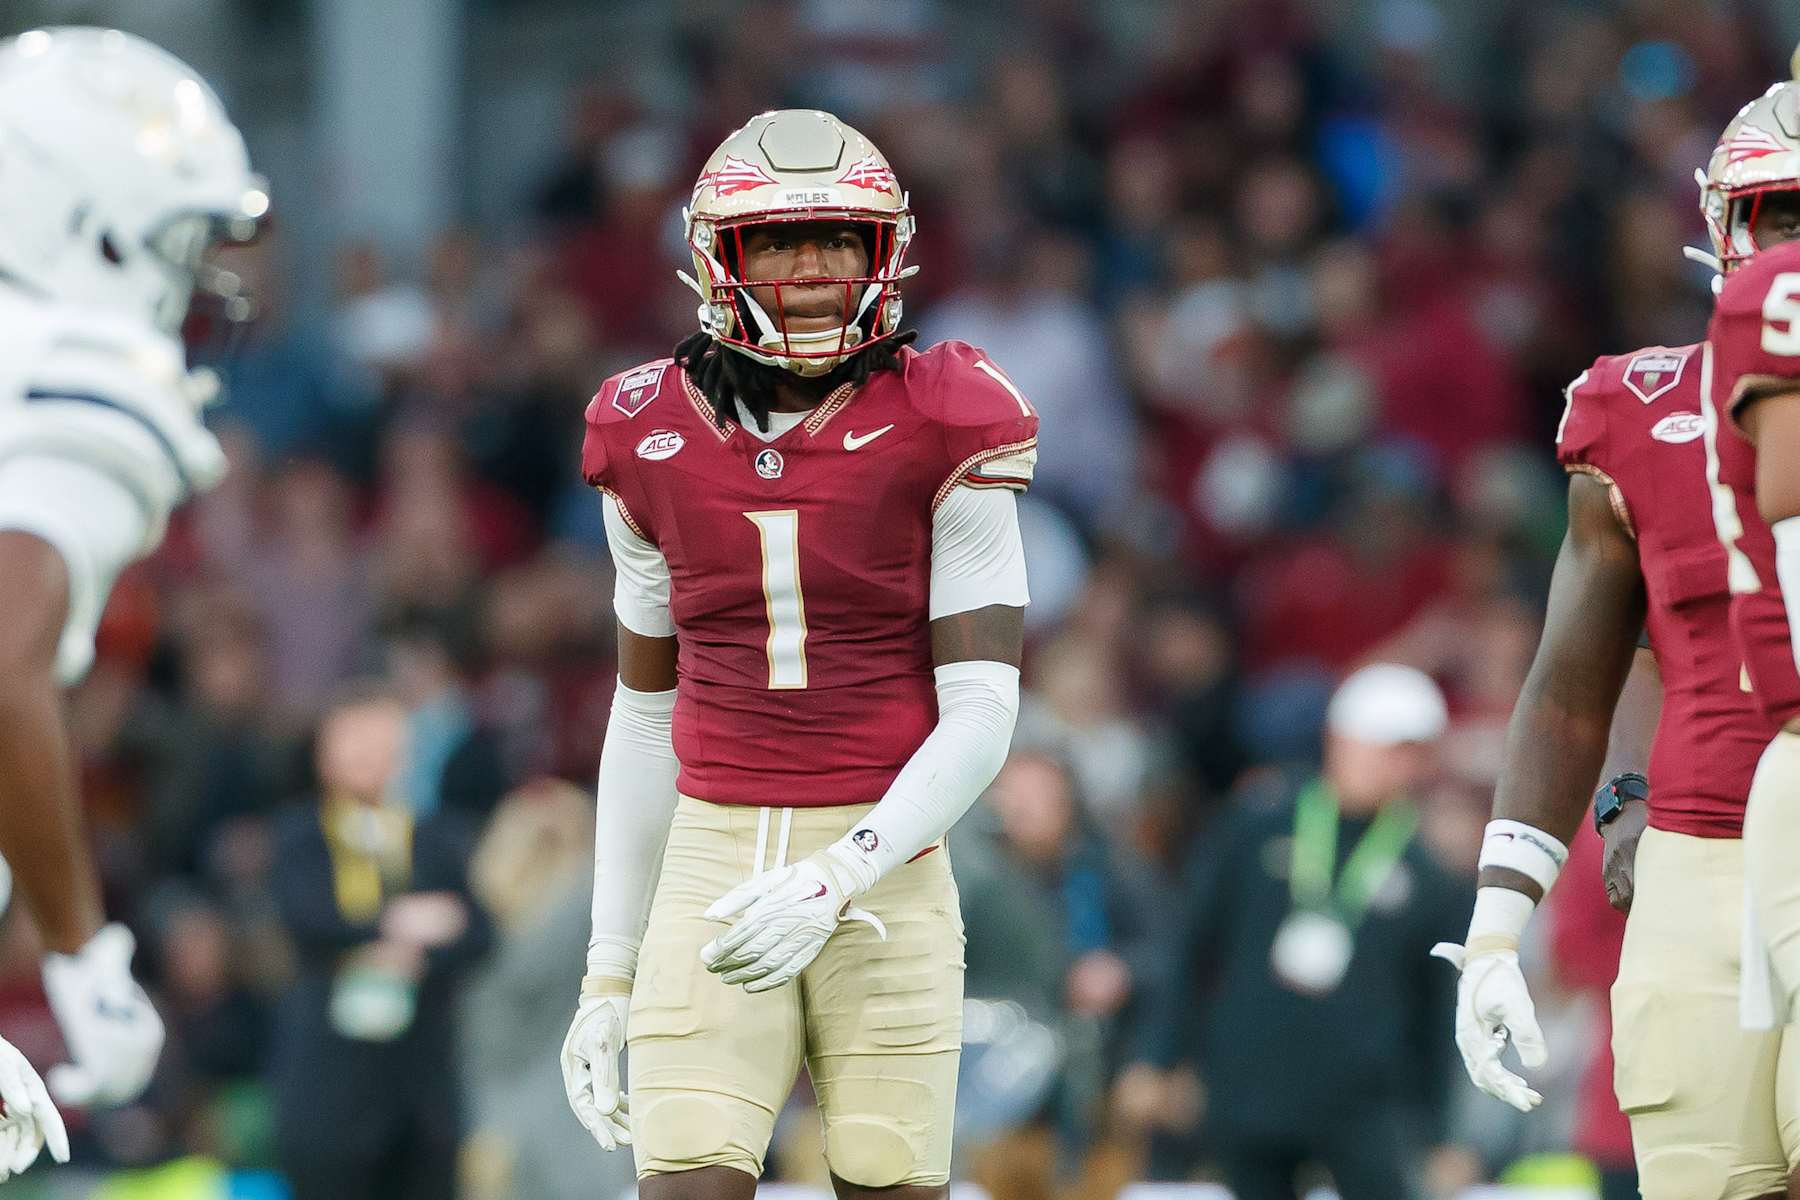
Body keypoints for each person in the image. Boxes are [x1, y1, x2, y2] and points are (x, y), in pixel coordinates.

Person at [560, 108, 1036, 1200]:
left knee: (887, 1183)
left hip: (887, 870)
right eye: (777, 241)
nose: (813, 269)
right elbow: (642, 714)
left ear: (887, 253)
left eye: (837, 240)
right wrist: (608, 970)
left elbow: (982, 710)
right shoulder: (640, 430)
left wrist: (841, 872)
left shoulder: (949, 411)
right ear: (718, 257)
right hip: (712, 861)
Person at [1431, 73, 1800, 1199]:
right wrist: (1499, 926)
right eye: (1782, 217)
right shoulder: (1636, 413)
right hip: (1698, 857)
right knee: (1705, 1177)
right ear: (1726, 225)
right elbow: (1572, 684)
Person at [0, 24, 266, 1173]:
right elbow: (3, 662)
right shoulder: (69, 383)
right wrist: (78, 951)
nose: (193, 270)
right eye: (177, 233)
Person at [1128, 664, 1465, 1200]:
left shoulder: (1429, 871)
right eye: (1383, 746)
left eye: (1409, 751)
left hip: (1365, 1100)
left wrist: (1443, 1133)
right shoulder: (1257, 822)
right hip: (1251, 1083)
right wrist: (1157, 1055)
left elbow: (1436, 1006)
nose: (1394, 764)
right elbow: (1192, 944)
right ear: (1338, 738)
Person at [268, 684, 491, 1200]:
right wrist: (402, 923)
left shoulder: (433, 837)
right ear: (325, 752)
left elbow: (479, 931)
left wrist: (414, 952)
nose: (371, 755)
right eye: (356, 739)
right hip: (330, 1076)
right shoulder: (300, 836)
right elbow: (307, 918)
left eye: (384, 741)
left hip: (420, 1082)